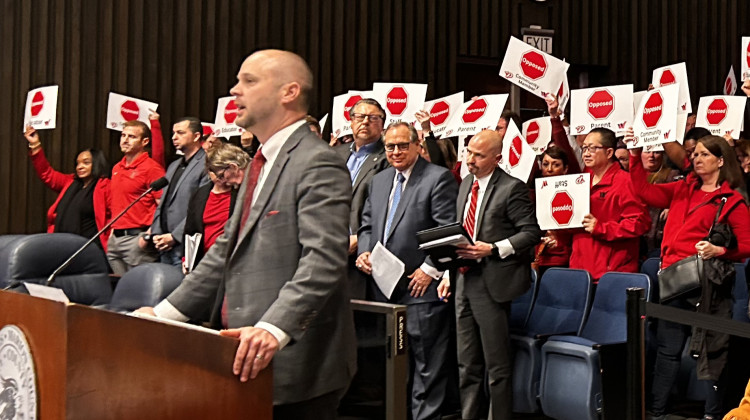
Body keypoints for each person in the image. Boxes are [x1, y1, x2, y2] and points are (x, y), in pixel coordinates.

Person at [140, 49, 356, 419]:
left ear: (289, 92)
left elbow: (323, 258)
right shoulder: (260, 162)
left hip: (294, 366)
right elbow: (228, 248)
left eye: (249, 81)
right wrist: (162, 315)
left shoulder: (316, 160)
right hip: (242, 358)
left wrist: (274, 328)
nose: (234, 90)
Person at [627, 133, 750, 420]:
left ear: (721, 160)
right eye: (695, 154)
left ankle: (713, 414)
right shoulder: (683, 188)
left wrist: (719, 249)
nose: (696, 158)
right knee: (668, 351)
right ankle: (657, 411)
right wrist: (634, 156)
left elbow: (746, 245)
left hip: (708, 286)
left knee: (711, 352)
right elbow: (643, 191)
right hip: (673, 279)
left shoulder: (731, 200)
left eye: (705, 154)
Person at [356, 122, 458, 420]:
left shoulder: (438, 178)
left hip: (420, 287)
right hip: (384, 289)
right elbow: (366, 224)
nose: (396, 152)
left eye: (402, 145)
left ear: (417, 145)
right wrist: (364, 250)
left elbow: (446, 230)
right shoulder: (379, 180)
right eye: (390, 147)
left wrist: (431, 268)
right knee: (395, 364)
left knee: (427, 363)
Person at [450, 129, 542, 420]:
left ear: (497, 158)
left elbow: (531, 233)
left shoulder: (511, 188)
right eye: (468, 152)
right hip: (464, 277)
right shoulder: (466, 183)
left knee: (496, 365)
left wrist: (493, 248)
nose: (471, 160)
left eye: (478, 155)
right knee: (466, 362)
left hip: (492, 281)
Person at [557, 128, 650, 281]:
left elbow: (640, 223)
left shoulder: (626, 181)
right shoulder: (581, 182)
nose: (586, 153)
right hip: (579, 271)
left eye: (593, 148)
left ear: (609, 153)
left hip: (611, 274)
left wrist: (601, 228)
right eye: (584, 148)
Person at [334, 98, 390, 298]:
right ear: (351, 121)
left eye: (373, 118)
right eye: (360, 117)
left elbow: (387, 207)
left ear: (382, 124)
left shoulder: (388, 158)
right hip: (329, 247)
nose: (365, 122)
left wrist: (360, 238)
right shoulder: (334, 154)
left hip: (361, 248)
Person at [24, 126, 112, 251]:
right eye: (78, 163)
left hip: (90, 248)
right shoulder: (71, 182)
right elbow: (47, 174)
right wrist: (36, 145)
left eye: (86, 163)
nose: (80, 167)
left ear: (97, 163)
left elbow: (114, 216)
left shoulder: (106, 186)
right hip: (61, 244)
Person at [149, 117, 211, 266]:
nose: (174, 137)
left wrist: (174, 237)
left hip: (184, 245)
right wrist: (156, 234)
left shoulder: (208, 163)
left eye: (180, 133)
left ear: (196, 136)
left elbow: (201, 207)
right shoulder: (174, 166)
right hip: (163, 245)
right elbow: (163, 202)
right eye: (173, 133)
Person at [107, 120, 165, 275]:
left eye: (131, 136)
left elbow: (163, 207)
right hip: (115, 239)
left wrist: (147, 236)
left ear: (144, 141)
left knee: (138, 292)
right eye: (123, 135)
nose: (125, 140)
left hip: (137, 239)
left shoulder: (152, 168)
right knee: (120, 290)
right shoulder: (116, 167)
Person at [183, 142, 248, 271]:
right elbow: (190, 229)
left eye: (221, 175)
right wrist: (186, 258)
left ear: (233, 167)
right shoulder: (200, 193)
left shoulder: (245, 191)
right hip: (205, 263)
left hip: (234, 264)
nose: (222, 181)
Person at [534, 146, 572, 275]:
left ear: (565, 169)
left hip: (561, 259)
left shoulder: (575, 193)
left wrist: (558, 238)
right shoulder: (533, 195)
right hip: (537, 257)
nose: (549, 169)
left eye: (556, 165)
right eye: (545, 164)